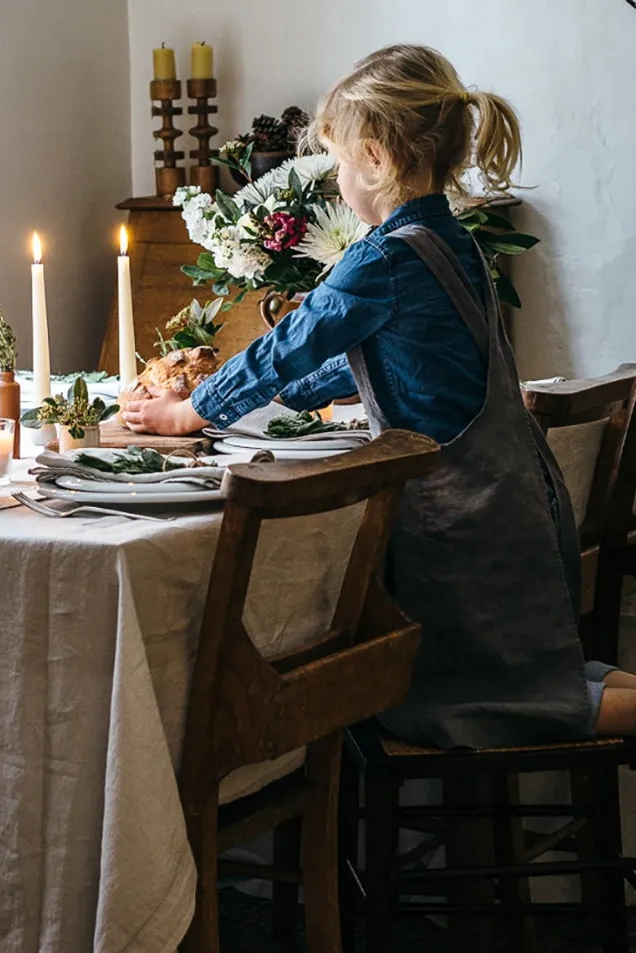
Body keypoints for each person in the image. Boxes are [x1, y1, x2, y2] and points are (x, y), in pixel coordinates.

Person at [121, 44, 636, 748]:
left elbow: (292, 341)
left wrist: (194, 407)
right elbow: (361, 364)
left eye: (336, 165)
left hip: (463, 520)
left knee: (497, 705)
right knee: (540, 684)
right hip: (512, 499)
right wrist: (281, 404)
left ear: (375, 158)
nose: (336, 181)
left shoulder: (384, 255)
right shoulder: (448, 239)